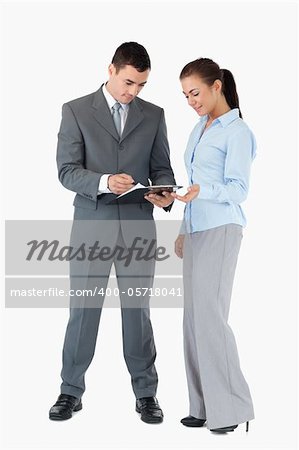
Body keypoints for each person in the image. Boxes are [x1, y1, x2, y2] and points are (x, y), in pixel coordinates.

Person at [49, 42, 175, 423]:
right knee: (83, 310)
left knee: (138, 312)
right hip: (92, 224)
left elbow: (162, 168)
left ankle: (146, 393)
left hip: (138, 225)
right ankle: (71, 390)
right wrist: (104, 181)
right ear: (111, 69)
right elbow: (66, 170)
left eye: (141, 85)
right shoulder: (75, 110)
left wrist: (163, 193)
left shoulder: (154, 115)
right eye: (128, 82)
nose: (132, 92)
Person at [171, 58, 256, 433]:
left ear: (216, 86)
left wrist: (203, 192)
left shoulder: (237, 131)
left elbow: (239, 191)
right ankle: (203, 405)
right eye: (186, 95)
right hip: (196, 230)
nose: (191, 100)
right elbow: (191, 183)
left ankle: (232, 410)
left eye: (196, 92)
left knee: (211, 319)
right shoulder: (199, 128)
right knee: (193, 321)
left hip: (222, 229)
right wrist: (182, 229)